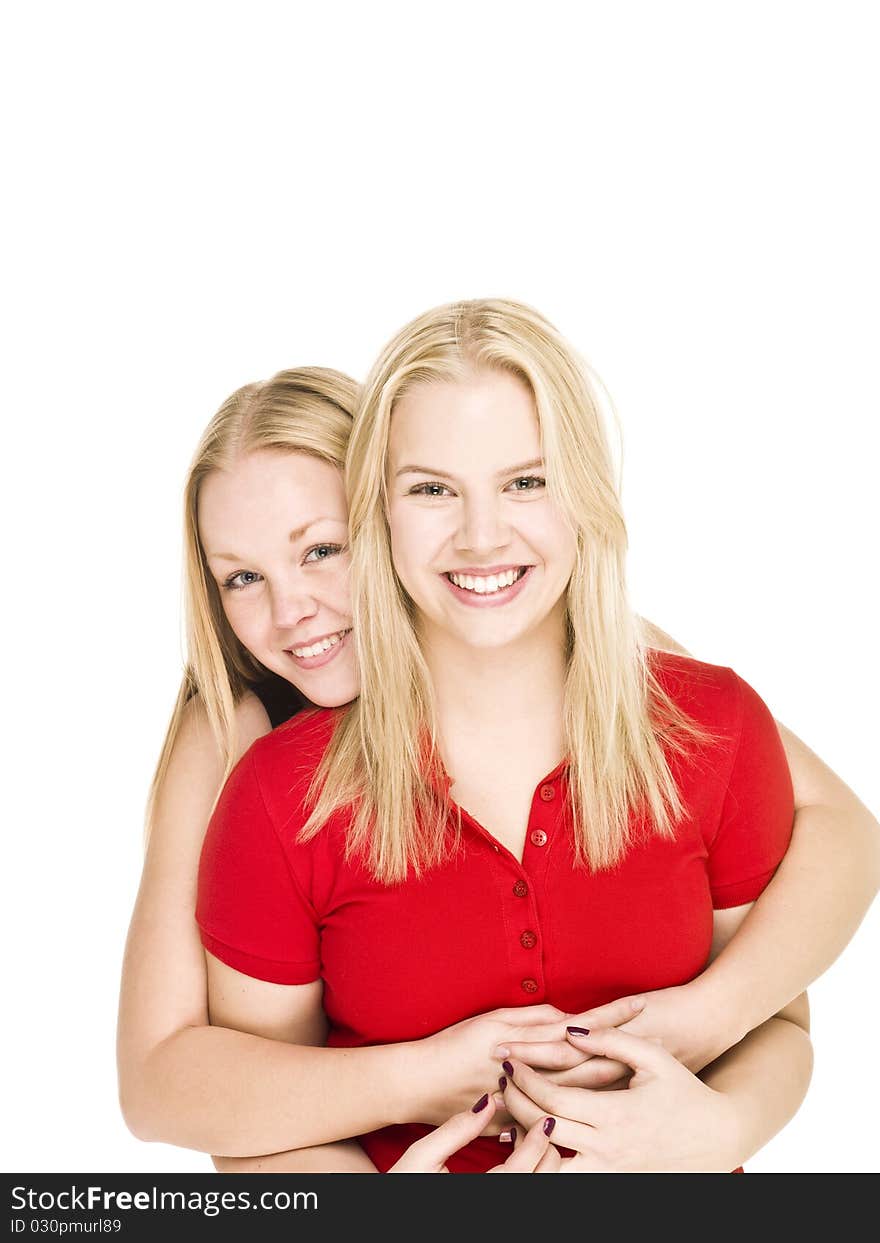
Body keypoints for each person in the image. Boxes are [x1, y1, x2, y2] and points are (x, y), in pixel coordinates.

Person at [119, 342, 879, 1172]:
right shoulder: (238, 737)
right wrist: (425, 1079)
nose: (293, 610)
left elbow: (837, 825)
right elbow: (165, 1083)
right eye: (240, 578)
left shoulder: (580, 654)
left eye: (321, 550)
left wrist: (709, 1025)